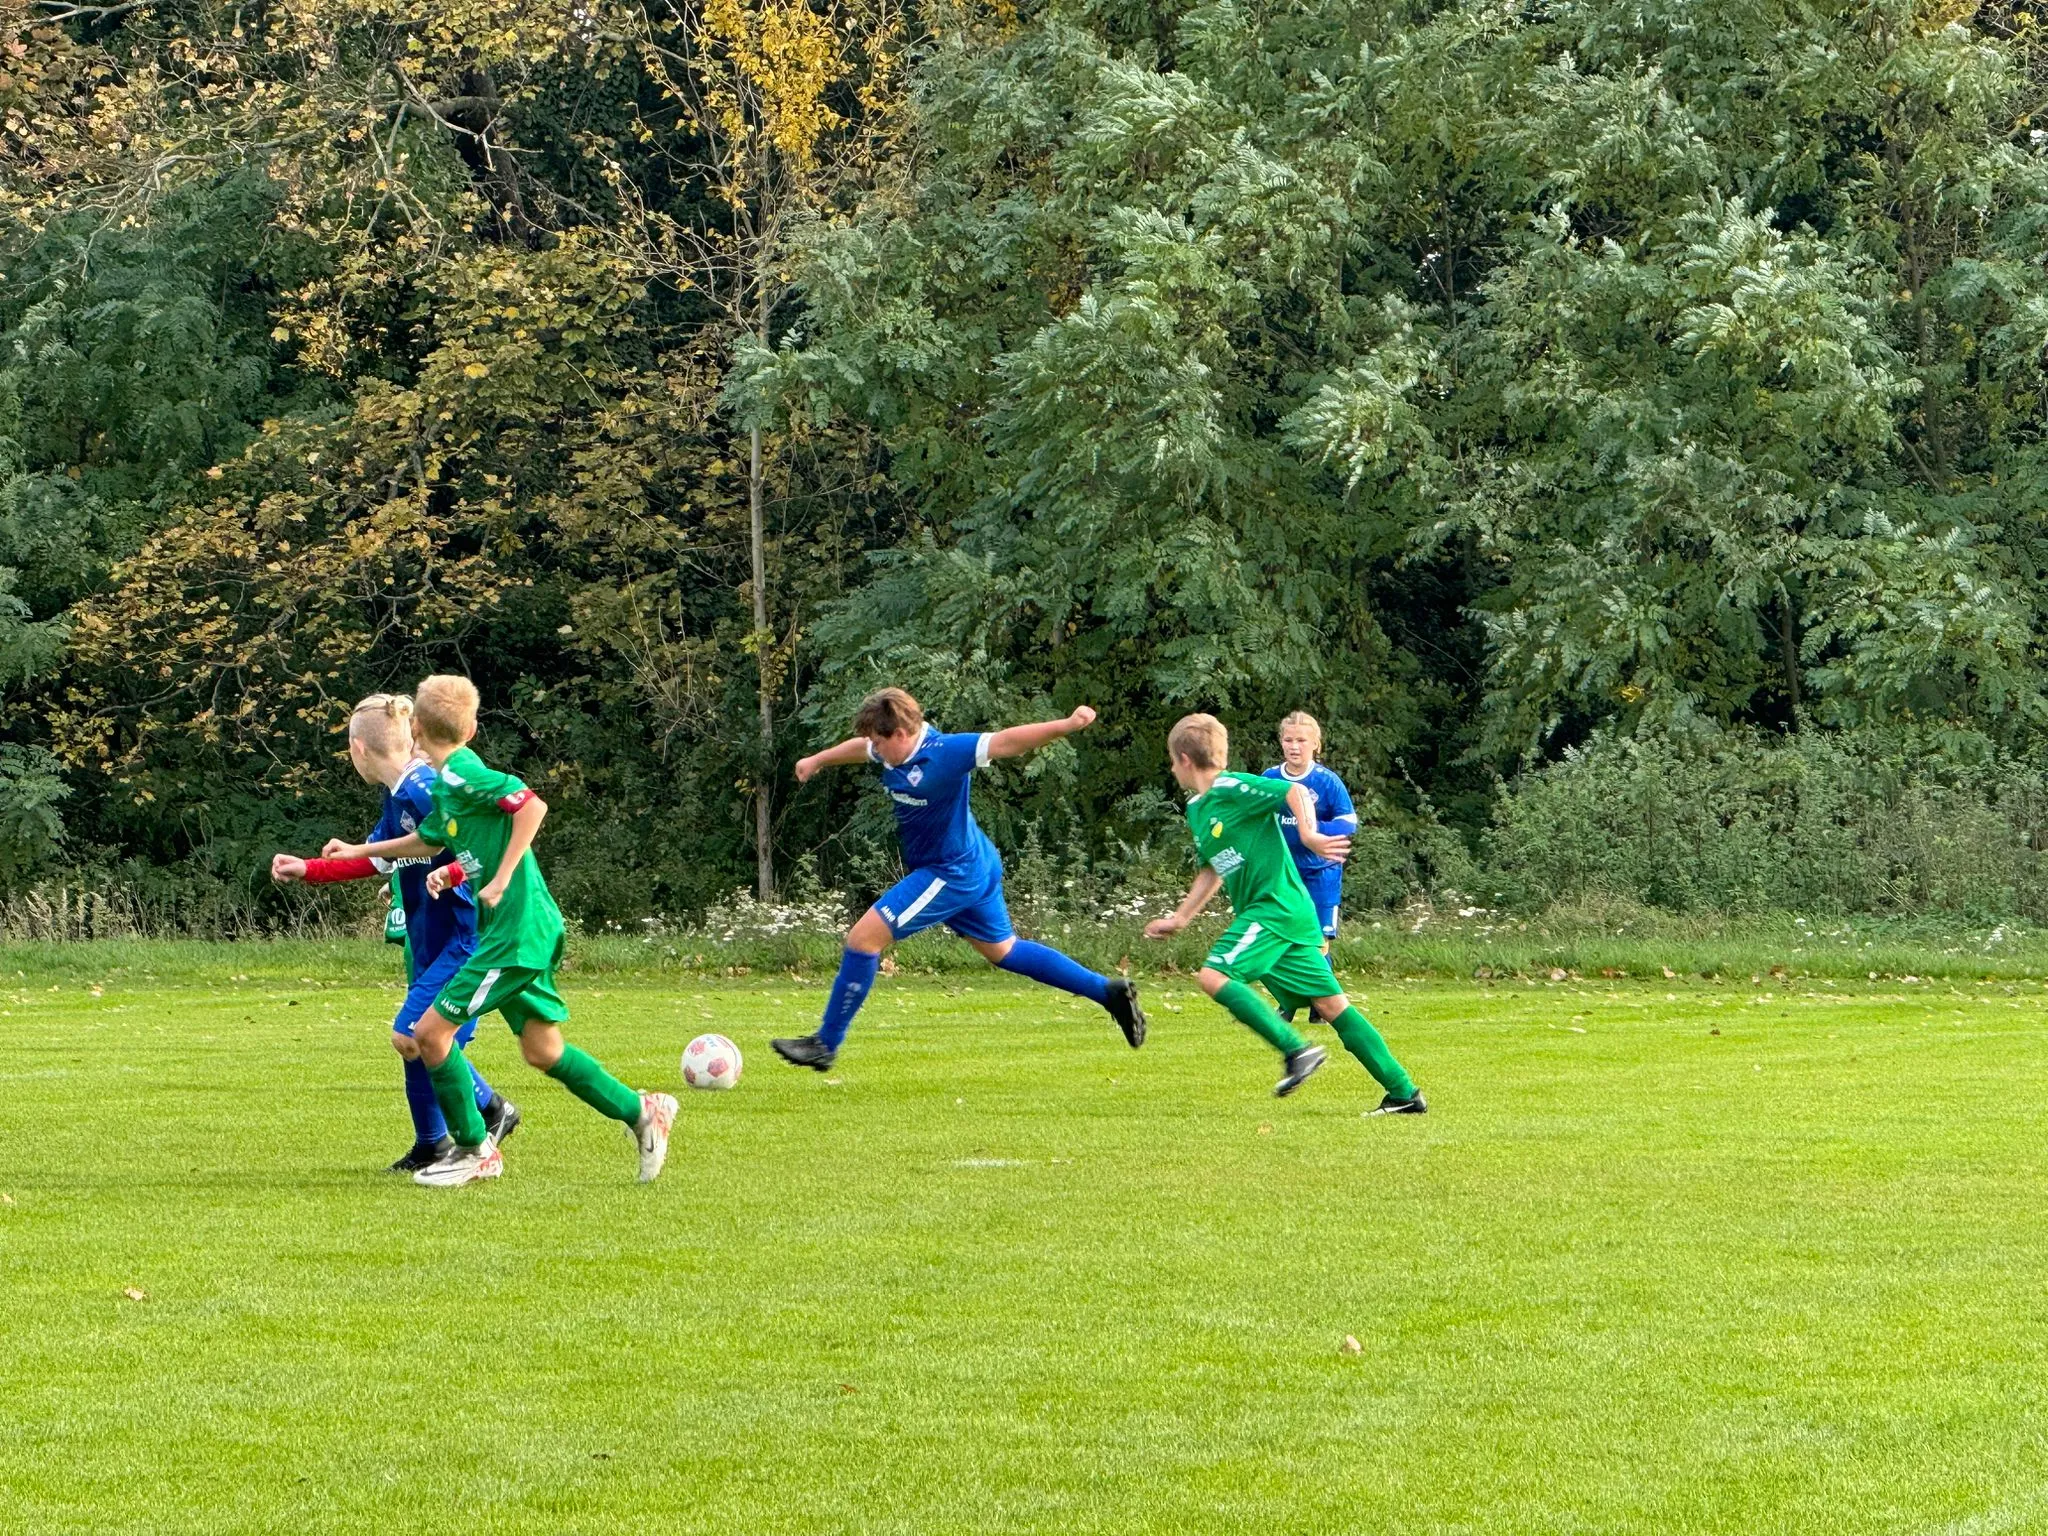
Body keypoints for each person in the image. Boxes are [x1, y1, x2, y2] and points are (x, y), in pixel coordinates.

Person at [325, 675, 677, 1187]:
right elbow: (428, 841)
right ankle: (642, 1112)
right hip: (522, 928)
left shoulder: (463, 772)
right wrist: (370, 853)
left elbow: (531, 806)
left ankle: (475, 1150)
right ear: (471, 728)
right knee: (543, 1051)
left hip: (512, 933)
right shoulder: (446, 783)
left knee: (428, 1035)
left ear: (415, 728)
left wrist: (503, 876)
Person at [771, 687, 1147, 1071]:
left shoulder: (946, 752)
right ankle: (1107, 992)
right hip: (974, 861)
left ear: (899, 733)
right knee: (1005, 951)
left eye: (878, 742)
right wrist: (817, 759)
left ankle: (825, 1044)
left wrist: (1067, 725)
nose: (874, 749)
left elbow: (1008, 742)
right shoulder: (892, 746)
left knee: (863, 939)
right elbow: (859, 748)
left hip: (949, 872)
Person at [272, 693, 519, 1173]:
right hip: (430, 939)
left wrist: (456, 875)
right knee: (423, 1043)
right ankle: (437, 1142)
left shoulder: (426, 789)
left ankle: (482, 1127)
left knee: (413, 1036)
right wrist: (309, 869)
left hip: (463, 940)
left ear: (358, 749)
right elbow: (379, 857)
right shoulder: (399, 794)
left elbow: (487, 843)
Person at [1144, 713, 1425, 1111]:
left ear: (1184, 759)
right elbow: (1213, 868)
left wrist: (1309, 835)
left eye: (1173, 760)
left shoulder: (1231, 787)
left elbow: (1293, 792)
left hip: (1274, 909)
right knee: (1331, 1005)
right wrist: (1180, 918)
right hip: (1281, 916)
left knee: (1213, 975)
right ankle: (1404, 1093)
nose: (1173, 768)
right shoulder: (1198, 808)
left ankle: (1297, 1050)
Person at [1263, 711, 1356, 952]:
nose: (1294, 747)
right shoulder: (1270, 778)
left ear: (1315, 743)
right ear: (1281, 742)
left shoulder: (1328, 781)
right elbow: (1256, 818)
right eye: (1288, 740)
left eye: (1301, 740)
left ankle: (1324, 978)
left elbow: (1348, 822)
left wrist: (1313, 827)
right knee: (1282, 940)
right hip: (1283, 871)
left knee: (1317, 942)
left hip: (1321, 870)